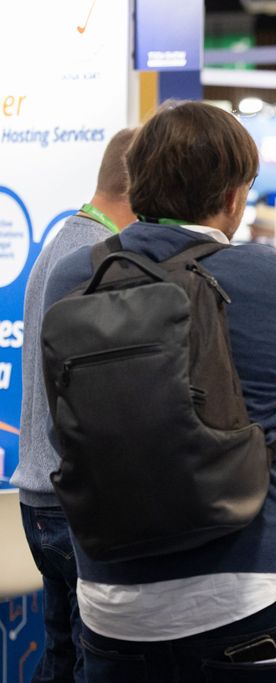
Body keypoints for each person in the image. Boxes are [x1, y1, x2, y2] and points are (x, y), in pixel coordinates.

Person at [40, 101, 276, 682]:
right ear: (235, 196)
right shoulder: (272, 276)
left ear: (136, 182)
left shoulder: (78, 275)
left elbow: (63, 421)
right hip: (258, 593)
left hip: (113, 602)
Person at [10, 127, 136, 683]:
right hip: (73, 503)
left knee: (63, 658)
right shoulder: (94, 257)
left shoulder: (69, 241)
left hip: (45, 498)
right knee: (91, 665)